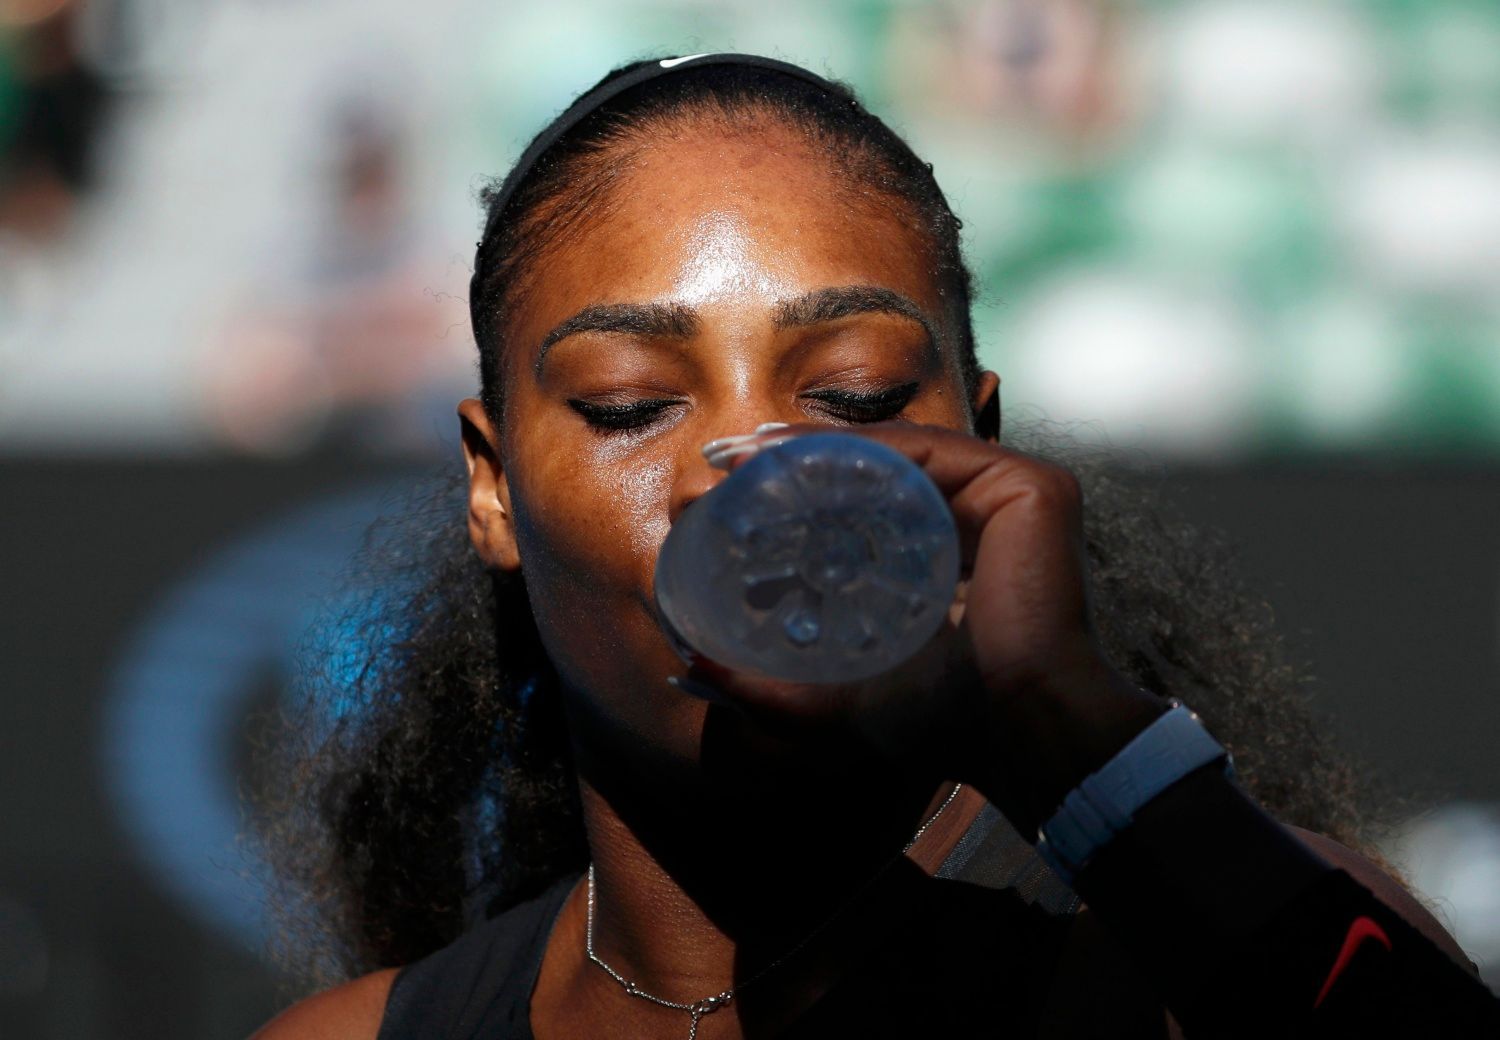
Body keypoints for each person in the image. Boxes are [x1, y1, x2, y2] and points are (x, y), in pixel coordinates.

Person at [253, 55, 1500, 1038]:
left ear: (982, 441)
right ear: (492, 485)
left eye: (854, 395)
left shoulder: (1223, 969)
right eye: (632, 400)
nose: (752, 471)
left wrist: (1083, 742)